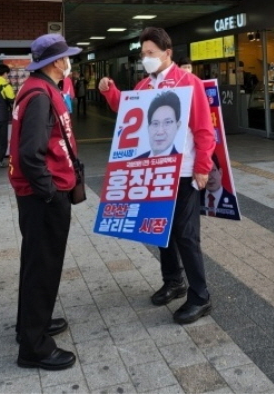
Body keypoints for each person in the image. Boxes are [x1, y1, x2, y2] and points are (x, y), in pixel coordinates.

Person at [99, 27, 216, 324]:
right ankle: (173, 281)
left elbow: (205, 130)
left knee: (186, 235)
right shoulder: (143, 86)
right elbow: (126, 111)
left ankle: (200, 296)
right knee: (160, 230)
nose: (146, 58)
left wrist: (203, 166)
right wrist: (109, 91)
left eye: (151, 53)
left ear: (167, 53)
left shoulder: (189, 84)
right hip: (153, 170)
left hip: (183, 171)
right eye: (143, 54)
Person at [8, 34, 82, 370]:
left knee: (37, 263)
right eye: (66, 57)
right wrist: (51, 193)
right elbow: (29, 154)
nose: (69, 61)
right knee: (43, 268)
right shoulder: (39, 94)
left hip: (39, 195)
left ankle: (31, 325)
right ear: (56, 61)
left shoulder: (39, 88)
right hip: (43, 198)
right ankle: (34, 348)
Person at [137, 90, 181, 158]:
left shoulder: (183, 163)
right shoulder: (135, 162)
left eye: (167, 122)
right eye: (155, 124)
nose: (160, 132)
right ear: (148, 128)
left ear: (177, 126)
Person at [200, 152, 239, 220]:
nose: (209, 177)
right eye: (205, 171)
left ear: (220, 173)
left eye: (213, 171)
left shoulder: (233, 201)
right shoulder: (196, 197)